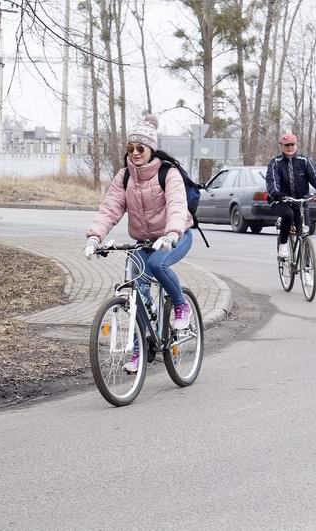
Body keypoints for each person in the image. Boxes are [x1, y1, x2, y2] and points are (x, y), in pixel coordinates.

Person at [83, 114, 194, 373]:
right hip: (144, 242)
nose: (134, 153)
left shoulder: (169, 173)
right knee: (134, 290)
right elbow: (110, 209)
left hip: (177, 235)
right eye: (130, 148)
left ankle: (180, 306)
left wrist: (172, 233)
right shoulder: (124, 177)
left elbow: (177, 205)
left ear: (151, 149)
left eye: (140, 148)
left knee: (158, 265)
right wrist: (94, 236)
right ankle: (138, 353)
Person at [265, 133, 316, 263]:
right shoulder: (275, 163)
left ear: (296, 145)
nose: (290, 147)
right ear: (282, 146)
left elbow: (315, 177)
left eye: (292, 145)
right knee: (288, 215)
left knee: (305, 231)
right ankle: (283, 245)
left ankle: (306, 265)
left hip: (300, 201)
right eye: (286, 145)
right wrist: (276, 193)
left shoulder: (304, 161)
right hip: (280, 200)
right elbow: (272, 180)